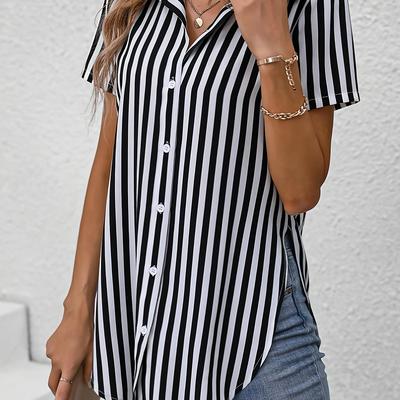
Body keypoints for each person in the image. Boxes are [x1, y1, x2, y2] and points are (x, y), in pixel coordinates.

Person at [45, 0, 360, 399]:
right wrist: (77, 309)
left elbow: (300, 191)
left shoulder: (310, 5)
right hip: (134, 328)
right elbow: (111, 157)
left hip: (253, 337)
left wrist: (271, 46)